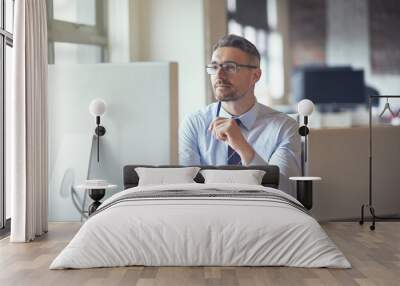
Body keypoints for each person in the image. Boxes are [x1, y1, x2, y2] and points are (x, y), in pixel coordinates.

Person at [179, 34, 301, 197]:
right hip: (207, 216)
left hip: (263, 218)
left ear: (255, 76)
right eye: (214, 67)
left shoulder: (284, 127)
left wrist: (243, 148)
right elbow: (185, 189)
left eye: (230, 67)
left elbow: (285, 192)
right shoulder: (194, 123)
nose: (219, 75)